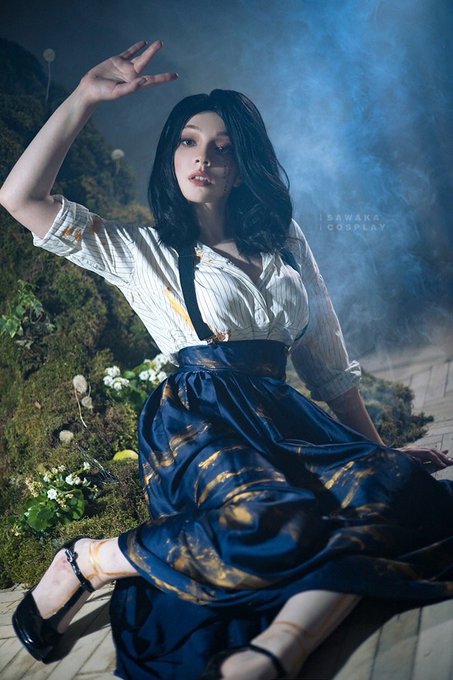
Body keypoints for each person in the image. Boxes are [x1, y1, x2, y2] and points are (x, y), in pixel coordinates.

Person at [1, 39, 452, 680]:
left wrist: (377, 456)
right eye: (188, 142)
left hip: (283, 416)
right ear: (170, 157)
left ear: (243, 166)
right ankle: (90, 560)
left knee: (390, 495)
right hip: (199, 418)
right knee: (269, 517)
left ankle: (274, 651)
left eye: (222, 147)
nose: (202, 158)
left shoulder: (284, 240)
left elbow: (327, 364)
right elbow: (20, 198)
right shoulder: (141, 249)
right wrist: (84, 97)